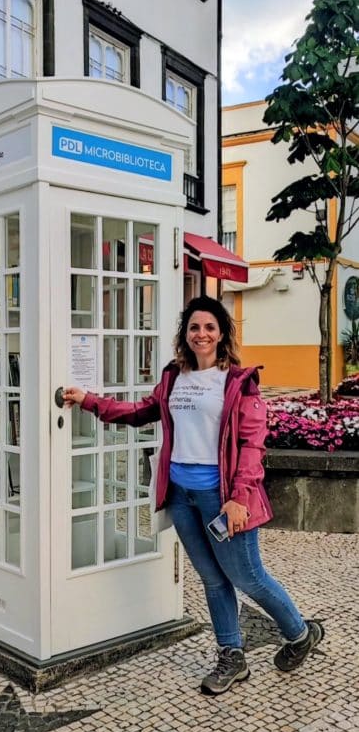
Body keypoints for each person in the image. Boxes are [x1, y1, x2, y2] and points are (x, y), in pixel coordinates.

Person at [63, 295, 324, 696]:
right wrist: (89, 401)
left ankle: (299, 633)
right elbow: (138, 412)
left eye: (209, 327)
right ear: (185, 334)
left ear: (222, 334)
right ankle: (231, 656)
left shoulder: (238, 382)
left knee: (248, 576)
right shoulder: (174, 377)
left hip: (221, 498)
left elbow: (252, 445)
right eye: (194, 327)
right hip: (181, 495)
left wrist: (239, 497)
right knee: (212, 579)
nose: (201, 334)